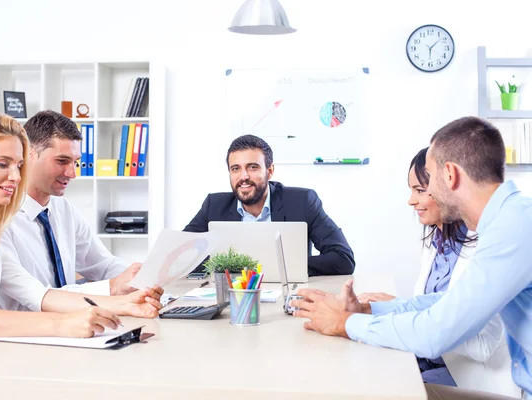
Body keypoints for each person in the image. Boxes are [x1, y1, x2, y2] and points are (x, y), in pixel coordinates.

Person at [291, 116, 532, 399]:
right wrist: (367, 311)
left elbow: (435, 334)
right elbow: (450, 300)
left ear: (450, 175)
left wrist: (343, 323)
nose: (424, 193)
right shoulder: (511, 219)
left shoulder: (515, 227)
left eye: (428, 179)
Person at [0, 113, 161, 358]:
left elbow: (39, 295)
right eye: (2, 164)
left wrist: (128, 304)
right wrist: (62, 324)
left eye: (19, 166)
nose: (15, 177)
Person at [358, 147, 518, 396]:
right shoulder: (438, 241)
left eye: (420, 190)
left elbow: (481, 344)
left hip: (468, 378)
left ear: (449, 184)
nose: (411, 201)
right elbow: (433, 306)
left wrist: (397, 313)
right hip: (429, 363)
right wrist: (390, 309)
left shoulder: (490, 244)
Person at [0, 111, 163, 312]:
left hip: (72, 326)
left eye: (75, 161)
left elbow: (103, 265)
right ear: (28, 155)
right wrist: (113, 288)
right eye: (62, 161)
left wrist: (139, 280)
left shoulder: (64, 210)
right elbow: (36, 297)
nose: (72, 173)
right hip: (24, 332)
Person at [184, 134, 355, 276]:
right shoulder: (214, 205)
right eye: (235, 168)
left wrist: (274, 266)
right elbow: (180, 258)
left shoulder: (302, 201)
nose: (243, 176)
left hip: (285, 297)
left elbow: (343, 259)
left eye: (252, 167)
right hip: (232, 298)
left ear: (270, 171)